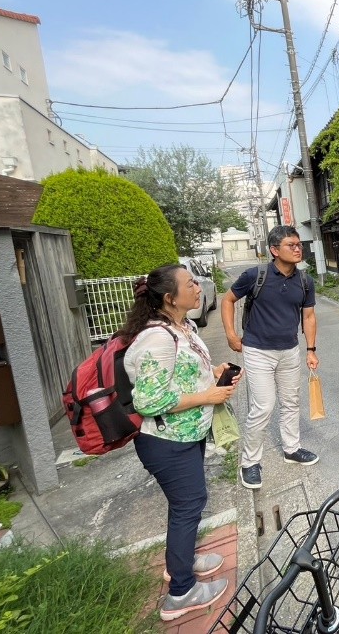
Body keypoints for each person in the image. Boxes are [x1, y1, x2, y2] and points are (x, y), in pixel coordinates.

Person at [121, 265, 239, 622]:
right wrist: (208, 396)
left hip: (185, 434)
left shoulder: (182, 327)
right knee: (189, 505)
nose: (199, 287)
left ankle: (181, 562)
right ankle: (180, 593)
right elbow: (149, 401)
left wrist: (214, 375)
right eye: (190, 284)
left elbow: (181, 377)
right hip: (166, 442)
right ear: (170, 298)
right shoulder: (157, 337)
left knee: (184, 505)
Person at [221, 226, 319, 490]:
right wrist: (231, 334)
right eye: (291, 245)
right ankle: (250, 463)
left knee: (291, 402)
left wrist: (311, 349)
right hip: (257, 350)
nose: (298, 248)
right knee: (263, 406)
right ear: (275, 250)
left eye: (299, 244)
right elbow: (228, 300)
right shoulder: (255, 275)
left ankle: (291, 448)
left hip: (290, 350)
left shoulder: (305, 281)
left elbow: (308, 316)